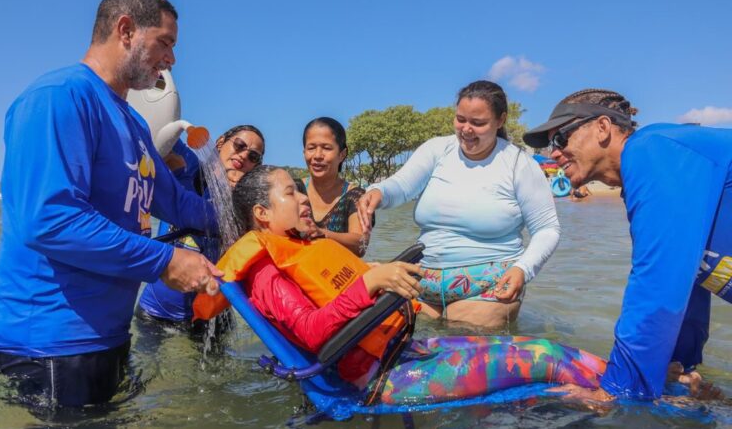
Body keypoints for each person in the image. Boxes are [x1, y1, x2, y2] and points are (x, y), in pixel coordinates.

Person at [0, 0, 223, 409]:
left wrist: (244, 216)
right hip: (49, 342)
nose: (172, 59)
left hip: (105, 336)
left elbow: (179, 205)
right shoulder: (59, 97)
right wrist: (165, 261)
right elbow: (52, 220)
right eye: (165, 43)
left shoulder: (133, 123)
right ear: (126, 30)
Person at [221, 165, 606, 405]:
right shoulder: (267, 274)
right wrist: (369, 283)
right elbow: (311, 331)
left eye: (300, 189)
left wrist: (378, 273)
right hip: (379, 380)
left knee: (539, 350)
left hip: (401, 355)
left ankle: (627, 379)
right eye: (291, 192)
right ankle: (637, 394)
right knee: (544, 357)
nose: (304, 198)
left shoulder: (299, 248)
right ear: (262, 213)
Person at [523, 88, 730, 402]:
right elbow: (685, 287)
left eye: (561, 139)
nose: (554, 153)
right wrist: (679, 367)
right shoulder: (649, 174)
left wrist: (615, 391)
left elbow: (656, 288)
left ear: (603, 128)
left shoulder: (652, 152)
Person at [357, 81, 560, 327]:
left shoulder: (520, 164)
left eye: (478, 123)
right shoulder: (437, 149)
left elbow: (547, 229)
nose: (466, 129)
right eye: (460, 119)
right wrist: (377, 192)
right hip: (423, 283)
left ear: (501, 120)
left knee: (458, 335)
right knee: (387, 331)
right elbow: (400, 186)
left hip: (490, 288)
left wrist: (523, 270)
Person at [137, 125, 265, 330]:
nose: (243, 156)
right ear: (221, 142)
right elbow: (158, 128)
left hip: (211, 318)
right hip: (156, 312)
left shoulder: (247, 204)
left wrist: (240, 197)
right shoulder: (190, 168)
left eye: (254, 157)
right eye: (239, 145)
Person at [301, 117, 371, 256]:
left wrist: (324, 234)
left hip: (339, 275)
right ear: (304, 152)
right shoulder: (294, 189)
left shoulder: (356, 196)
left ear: (342, 154)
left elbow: (361, 243)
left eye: (326, 148)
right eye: (311, 148)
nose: (317, 155)